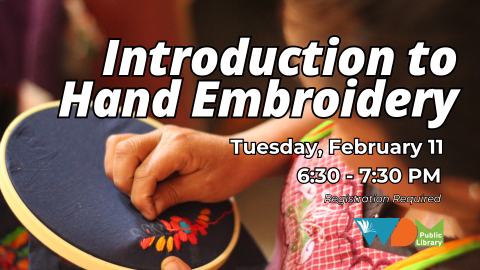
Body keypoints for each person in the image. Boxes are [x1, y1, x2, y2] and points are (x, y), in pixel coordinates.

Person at [104, 0, 480, 269]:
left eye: (343, 119)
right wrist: (245, 151)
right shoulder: (431, 205)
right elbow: (407, 233)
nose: (326, 128)